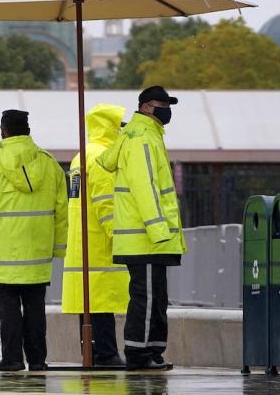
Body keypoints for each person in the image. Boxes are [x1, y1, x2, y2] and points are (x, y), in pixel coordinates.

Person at [0, 109, 68, 372]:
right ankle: (37, 360)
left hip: (4, 256)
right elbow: (61, 210)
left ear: (3, 131)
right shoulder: (49, 164)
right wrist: (59, 248)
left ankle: (12, 359)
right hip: (38, 254)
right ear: (28, 131)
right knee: (35, 309)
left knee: (9, 310)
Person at [98, 86, 186, 371]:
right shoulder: (142, 139)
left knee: (155, 297)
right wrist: (159, 230)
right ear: (147, 107)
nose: (167, 110)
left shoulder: (146, 136)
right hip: (145, 239)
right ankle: (139, 353)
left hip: (145, 239)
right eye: (162, 104)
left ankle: (153, 350)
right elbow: (145, 189)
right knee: (147, 298)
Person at [61, 104, 129, 367]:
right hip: (99, 242)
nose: (122, 129)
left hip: (81, 241)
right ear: (110, 126)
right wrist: (118, 237)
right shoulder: (103, 156)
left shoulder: (81, 156)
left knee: (88, 303)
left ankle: (89, 353)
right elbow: (106, 201)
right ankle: (106, 354)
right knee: (101, 303)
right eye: (119, 124)